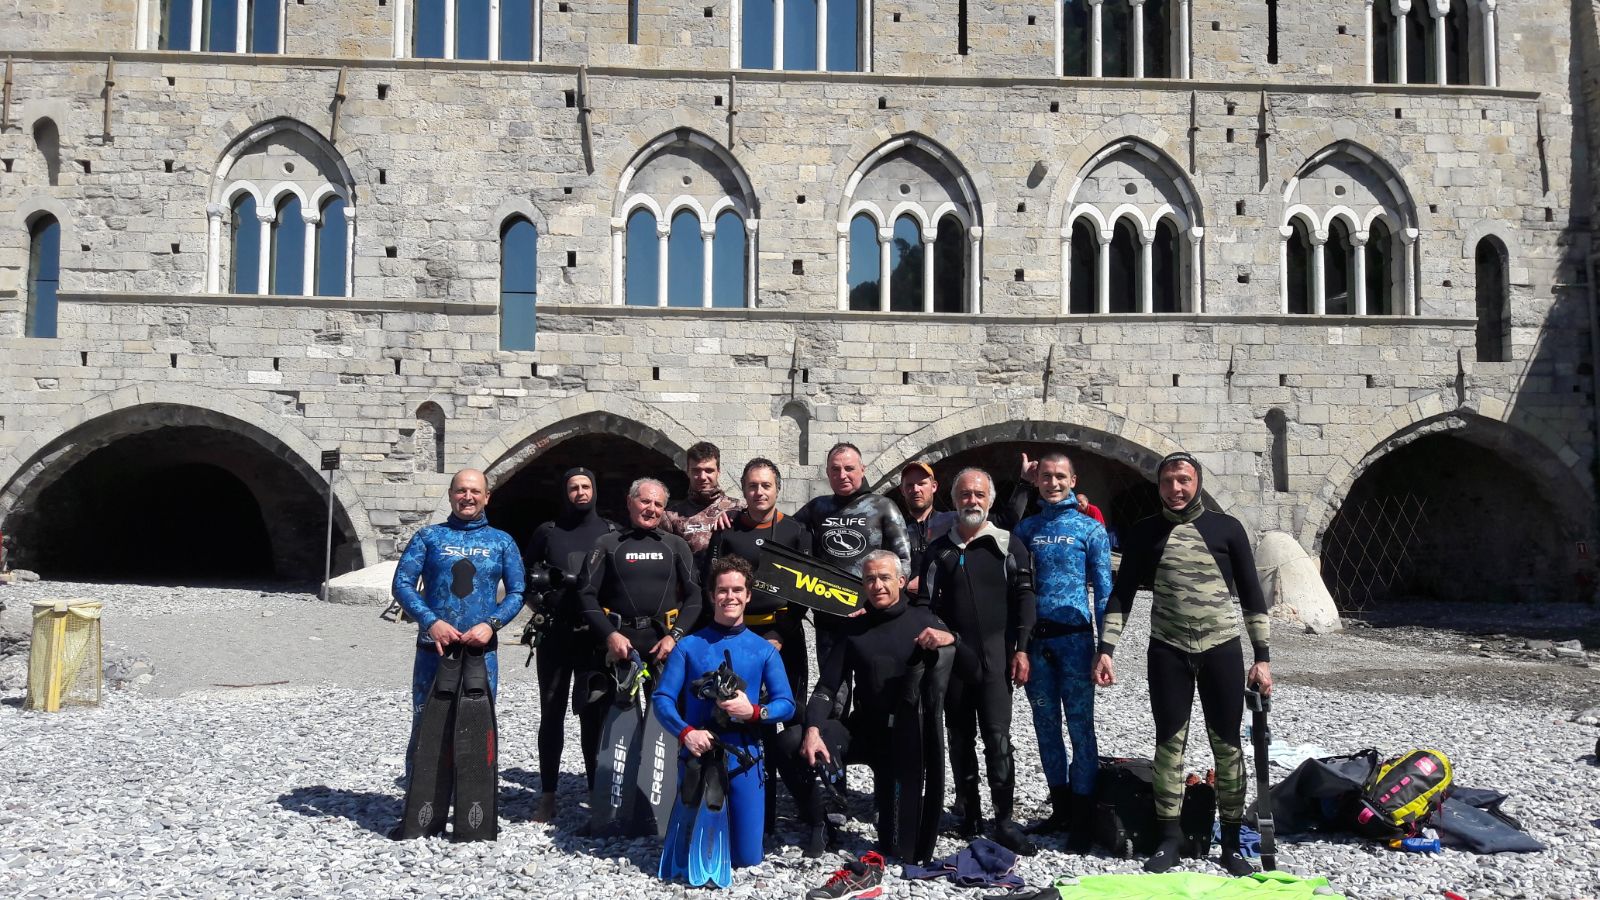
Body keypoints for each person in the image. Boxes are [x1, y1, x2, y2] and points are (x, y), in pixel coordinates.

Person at [1093, 451, 1273, 876]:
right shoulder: (1145, 532)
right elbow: (1122, 595)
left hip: (1221, 649)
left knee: (1227, 747)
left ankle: (1229, 843)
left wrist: (1262, 658)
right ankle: (1169, 839)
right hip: (1167, 650)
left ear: (1197, 483)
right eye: (1168, 481)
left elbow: (1251, 594)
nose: (1176, 488)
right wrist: (1107, 649)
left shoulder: (1226, 529)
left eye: (1184, 480)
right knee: (1169, 746)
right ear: (1159, 486)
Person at [785, 550, 956, 857]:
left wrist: (952, 639)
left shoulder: (924, 621)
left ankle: (885, 804)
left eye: (885, 578)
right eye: (870, 579)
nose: (877, 585)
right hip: (865, 730)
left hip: (905, 741)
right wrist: (812, 729)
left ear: (901, 581)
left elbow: (968, 665)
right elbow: (826, 687)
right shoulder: (854, 629)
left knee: (896, 848)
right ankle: (820, 820)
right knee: (791, 740)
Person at [917, 467, 1037, 855]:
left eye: (979, 495)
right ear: (954, 502)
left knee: (999, 741)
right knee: (960, 739)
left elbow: (1025, 601)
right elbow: (924, 605)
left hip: (996, 660)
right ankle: (969, 814)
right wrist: (937, 635)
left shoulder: (1008, 544)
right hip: (953, 664)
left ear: (990, 500)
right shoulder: (939, 551)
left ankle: (1003, 820)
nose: (972, 501)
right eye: (965, 495)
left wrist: (1021, 648)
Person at [653, 556, 796, 881]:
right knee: (692, 855)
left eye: (737, 590)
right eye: (722, 590)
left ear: (748, 596)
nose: (729, 597)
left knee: (747, 859)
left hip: (745, 759)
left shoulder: (763, 651)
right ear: (711, 595)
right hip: (698, 754)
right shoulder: (689, 646)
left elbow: (786, 705)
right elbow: (662, 699)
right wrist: (686, 732)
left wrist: (755, 712)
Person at [392, 468, 526, 781]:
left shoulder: (501, 542)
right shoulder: (428, 537)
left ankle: (473, 801)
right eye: (461, 491)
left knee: (478, 727)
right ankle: (421, 798)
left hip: (481, 651)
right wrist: (430, 621)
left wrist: (492, 625)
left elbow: (518, 592)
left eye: (475, 492)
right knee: (426, 723)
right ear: (451, 494)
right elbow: (402, 584)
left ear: (487, 497)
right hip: (434, 649)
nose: (468, 497)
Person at [1011, 451, 1111, 846]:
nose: (1053, 483)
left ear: (1073, 480)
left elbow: (1104, 591)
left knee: (1081, 727)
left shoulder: (1090, 530)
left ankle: (1084, 817)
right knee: (1045, 727)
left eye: (1060, 477)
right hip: (1037, 643)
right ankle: (1061, 808)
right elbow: (1016, 591)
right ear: (1037, 481)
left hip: (1076, 640)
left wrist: (1106, 647)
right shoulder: (1027, 529)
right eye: (1046, 477)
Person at [523, 467, 618, 821]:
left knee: (593, 714)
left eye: (586, 486)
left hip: (593, 637)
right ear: (566, 492)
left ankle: (596, 792)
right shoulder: (548, 532)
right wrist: (540, 605)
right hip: (556, 635)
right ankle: (548, 794)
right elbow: (523, 579)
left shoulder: (610, 532)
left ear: (595, 490)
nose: (580, 492)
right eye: (574, 487)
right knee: (552, 713)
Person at [794, 443, 912, 668]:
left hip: (872, 614)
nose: (842, 475)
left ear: (862, 469)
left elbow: (903, 561)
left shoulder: (883, 506)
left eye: (849, 468)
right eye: (835, 469)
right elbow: (783, 531)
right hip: (828, 615)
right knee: (832, 689)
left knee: (874, 686)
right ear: (827, 472)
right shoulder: (817, 507)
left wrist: (881, 603)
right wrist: (737, 514)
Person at [704, 457, 812, 701]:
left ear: (777, 488)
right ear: (743, 489)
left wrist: (781, 633)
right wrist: (727, 628)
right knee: (734, 707)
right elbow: (709, 584)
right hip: (735, 631)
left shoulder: (796, 531)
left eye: (766, 485)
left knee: (791, 712)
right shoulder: (726, 530)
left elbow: (806, 590)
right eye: (752, 486)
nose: (759, 492)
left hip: (784, 633)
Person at [579, 477, 701, 671]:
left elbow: (694, 596)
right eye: (645, 501)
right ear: (629, 502)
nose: (651, 508)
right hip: (619, 646)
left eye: (658, 504)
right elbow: (585, 593)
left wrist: (674, 637)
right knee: (610, 701)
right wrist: (609, 634)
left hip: (663, 646)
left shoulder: (676, 545)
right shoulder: (606, 544)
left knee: (666, 702)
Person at [664, 441, 741, 566]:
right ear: (688, 471)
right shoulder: (671, 516)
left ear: (718, 472)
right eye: (696, 471)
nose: (702, 477)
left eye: (709, 470)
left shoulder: (739, 509)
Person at [899, 461, 956, 597]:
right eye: (910, 485)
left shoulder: (953, 521)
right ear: (902, 490)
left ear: (934, 486)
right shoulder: (895, 528)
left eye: (921, 484)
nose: (916, 489)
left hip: (947, 605)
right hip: (909, 607)